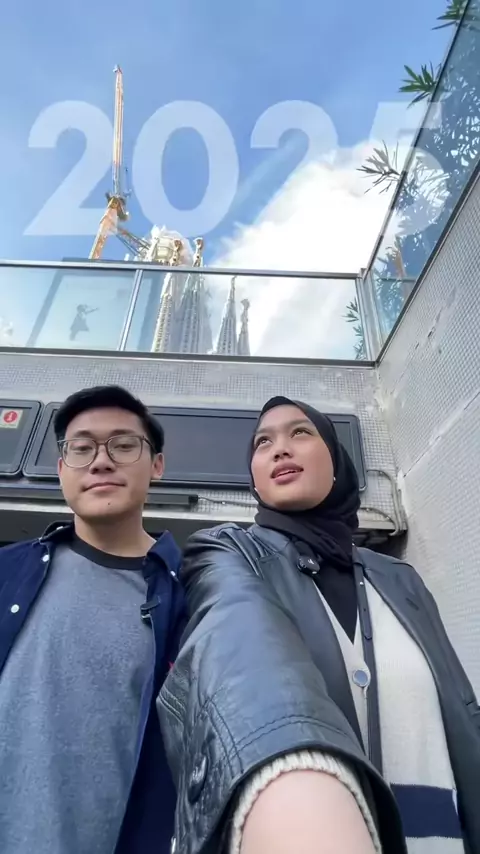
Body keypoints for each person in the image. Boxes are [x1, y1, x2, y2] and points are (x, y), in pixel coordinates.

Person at [158, 396, 480, 854]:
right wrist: (293, 781)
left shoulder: (401, 579)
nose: (279, 448)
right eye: (263, 443)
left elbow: (462, 718)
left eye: (300, 433)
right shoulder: (229, 554)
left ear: (336, 463)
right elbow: (238, 647)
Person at [0, 385, 186, 854]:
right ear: (62, 467)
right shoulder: (7, 573)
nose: (100, 461)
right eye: (81, 448)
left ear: (157, 465)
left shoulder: (194, 600)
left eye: (123, 445)